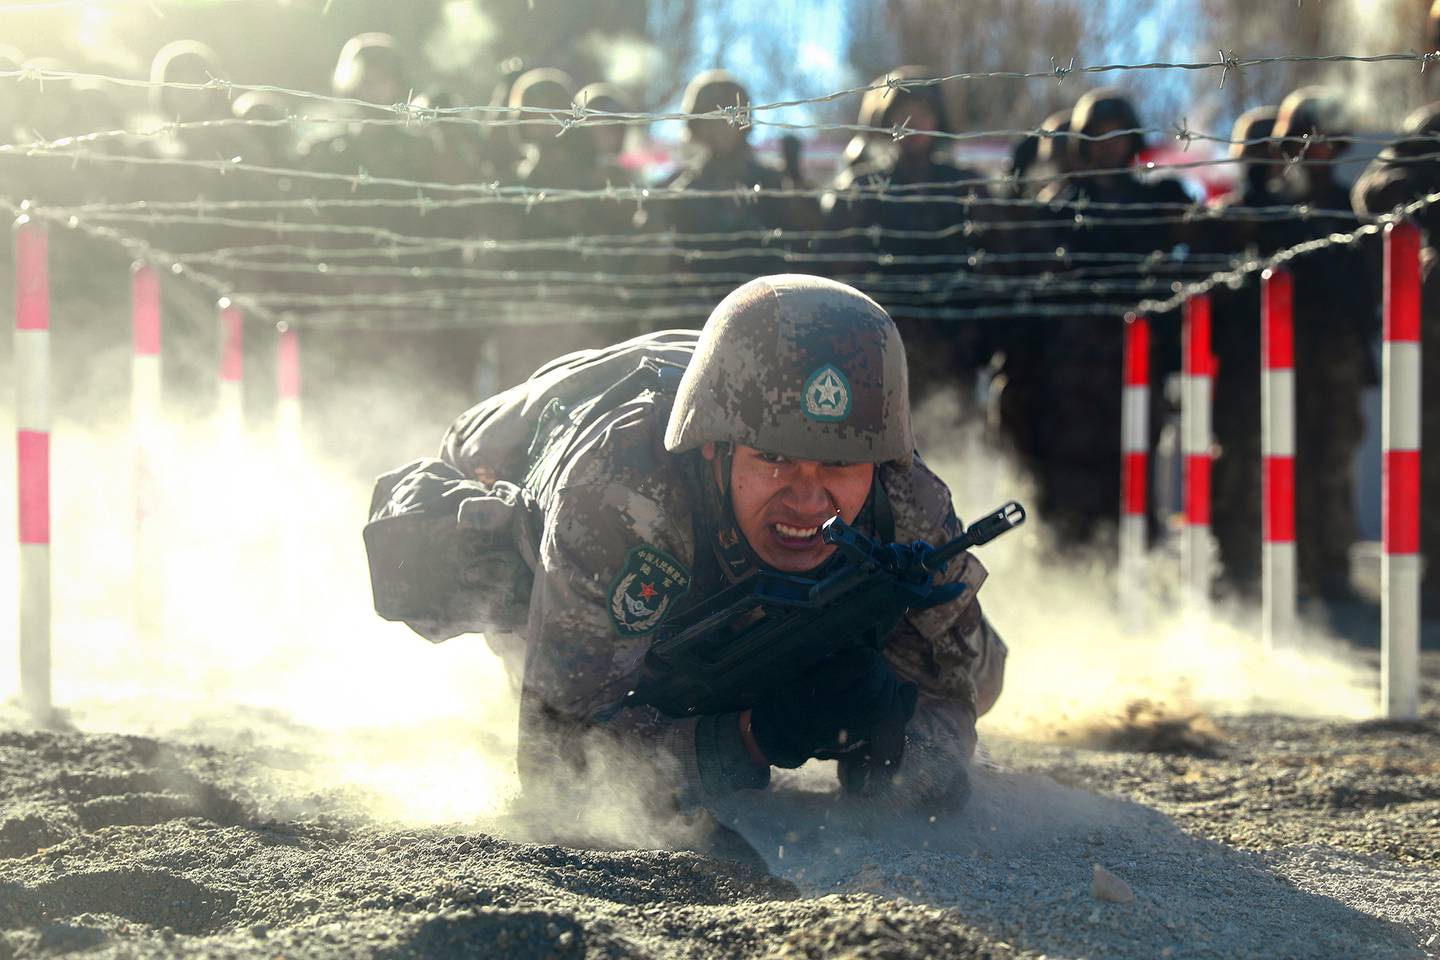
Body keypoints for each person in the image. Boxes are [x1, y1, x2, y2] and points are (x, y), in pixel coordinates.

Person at [365, 275, 1006, 833]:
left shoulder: (909, 506)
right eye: (774, 459)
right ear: (715, 448)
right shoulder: (623, 501)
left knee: (988, 674)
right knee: (542, 622)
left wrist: (901, 755)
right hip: (530, 437)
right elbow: (558, 768)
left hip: (722, 381)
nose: (809, 500)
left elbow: (954, 698)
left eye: (839, 464)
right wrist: (754, 738)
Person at [1272, 87, 1377, 602]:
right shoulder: (1272, 209)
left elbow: (1364, 289)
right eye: (1307, 140)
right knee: (1279, 460)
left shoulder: (1346, 209)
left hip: (1334, 359)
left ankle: (1332, 570)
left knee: (1332, 464)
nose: (1317, 151)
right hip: (1277, 362)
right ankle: (1289, 570)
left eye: (1326, 142)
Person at [1353, 101, 1440, 613]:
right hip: (1437, 317)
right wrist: (1424, 198)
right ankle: (1431, 573)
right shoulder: (1432, 127)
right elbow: (1372, 190)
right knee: (1429, 446)